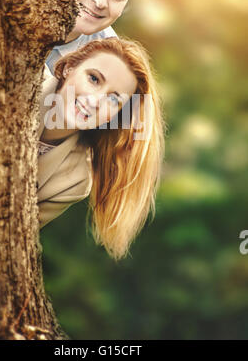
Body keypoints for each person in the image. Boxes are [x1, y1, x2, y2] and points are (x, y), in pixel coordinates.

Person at [38, 37, 164, 261]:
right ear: (69, 67)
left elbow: (8, 232)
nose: (95, 100)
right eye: (94, 79)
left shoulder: (75, 181)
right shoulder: (19, 80)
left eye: (113, 99)